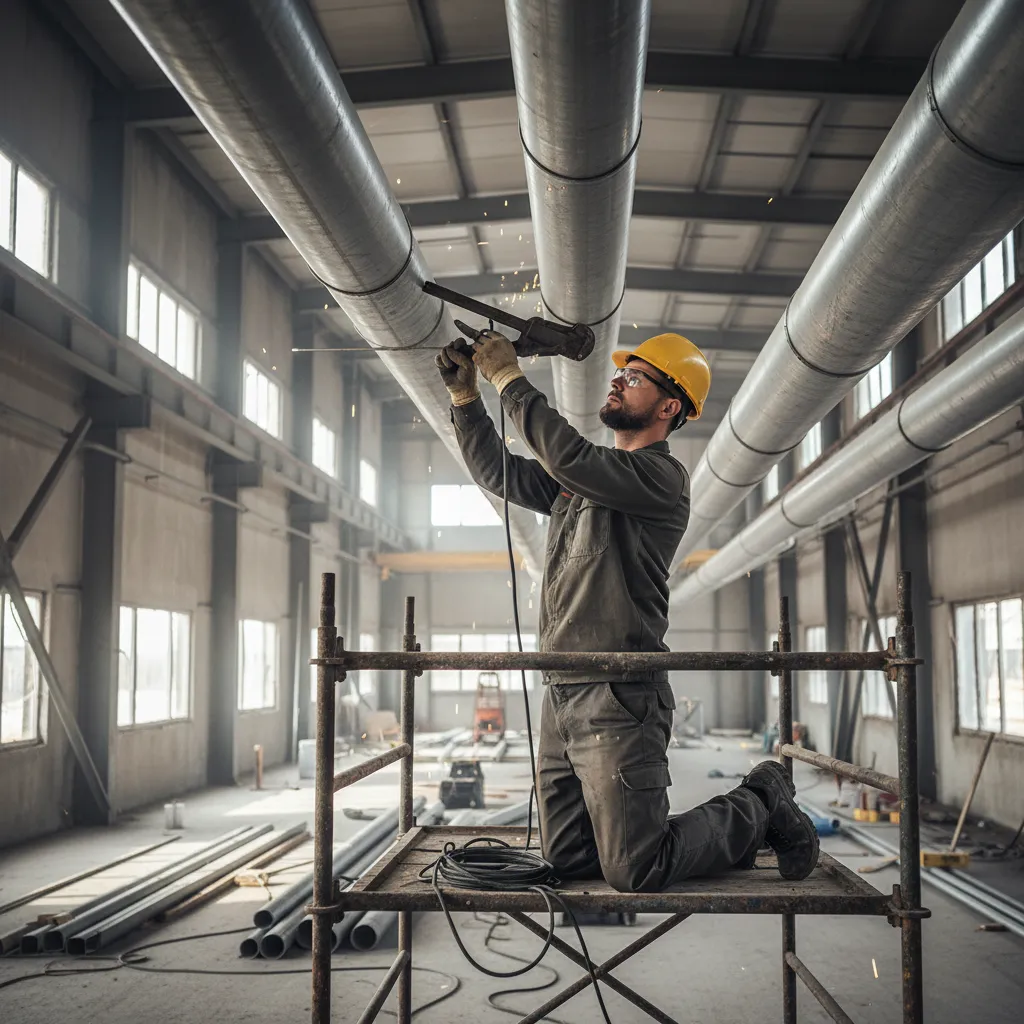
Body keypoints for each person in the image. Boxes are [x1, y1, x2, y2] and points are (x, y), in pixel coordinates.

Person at [436, 329, 818, 893]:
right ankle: (726, 819)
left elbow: (571, 457)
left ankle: (761, 801)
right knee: (566, 861)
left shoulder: (660, 480)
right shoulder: (582, 483)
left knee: (636, 869)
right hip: (561, 692)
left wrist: (510, 381)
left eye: (634, 377)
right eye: (622, 372)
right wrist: (467, 401)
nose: (618, 379)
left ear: (669, 407)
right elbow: (503, 474)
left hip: (619, 694)